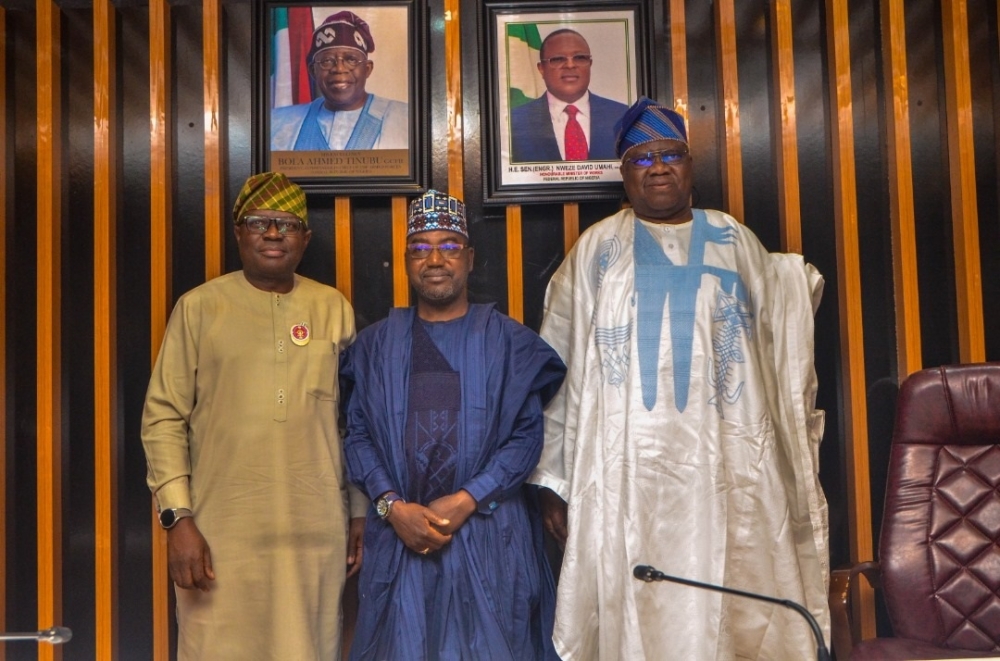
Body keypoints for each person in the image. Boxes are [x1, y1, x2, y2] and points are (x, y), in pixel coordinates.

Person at [531, 98, 830, 659]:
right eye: (643, 157)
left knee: (734, 586)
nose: (659, 167)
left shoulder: (734, 238)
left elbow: (781, 319)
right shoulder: (596, 250)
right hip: (625, 471)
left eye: (671, 154)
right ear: (624, 174)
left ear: (691, 166)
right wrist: (555, 480)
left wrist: (796, 278)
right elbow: (558, 365)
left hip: (727, 463)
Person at [141, 172, 368, 659]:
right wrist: (177, 520)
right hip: (217, 536)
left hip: (313, 535)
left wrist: (359, 511)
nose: (272, 233)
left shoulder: (332, 309)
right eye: (259, 222)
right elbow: (163, 418)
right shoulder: (199, 308)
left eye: (286, 224)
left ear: (305, 239)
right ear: (239, 233)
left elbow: (355, 423)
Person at [340, 190, 566, 660]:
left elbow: (526, 438)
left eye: (448, 246)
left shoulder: (508, 343)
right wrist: (391, 506)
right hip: (401, 538)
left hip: (489, 536)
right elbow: (358, 436)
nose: (435, 259)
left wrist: (468, 499)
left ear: (469, 257)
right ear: (405, 262)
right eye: (420, 248)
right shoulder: (375, 347)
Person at [271, 11, 408, 151]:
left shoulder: (406, 119)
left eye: (351, 60)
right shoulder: (278, 123)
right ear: (313, 71)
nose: (339, 69)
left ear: (367, 69)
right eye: (327, 61)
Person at [510, 29, 628, 163]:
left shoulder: (623, 116)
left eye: (579, 58)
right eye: (558, 59)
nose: (570, 65)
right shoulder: (514, 121)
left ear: (590, 64)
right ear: (541, 68)